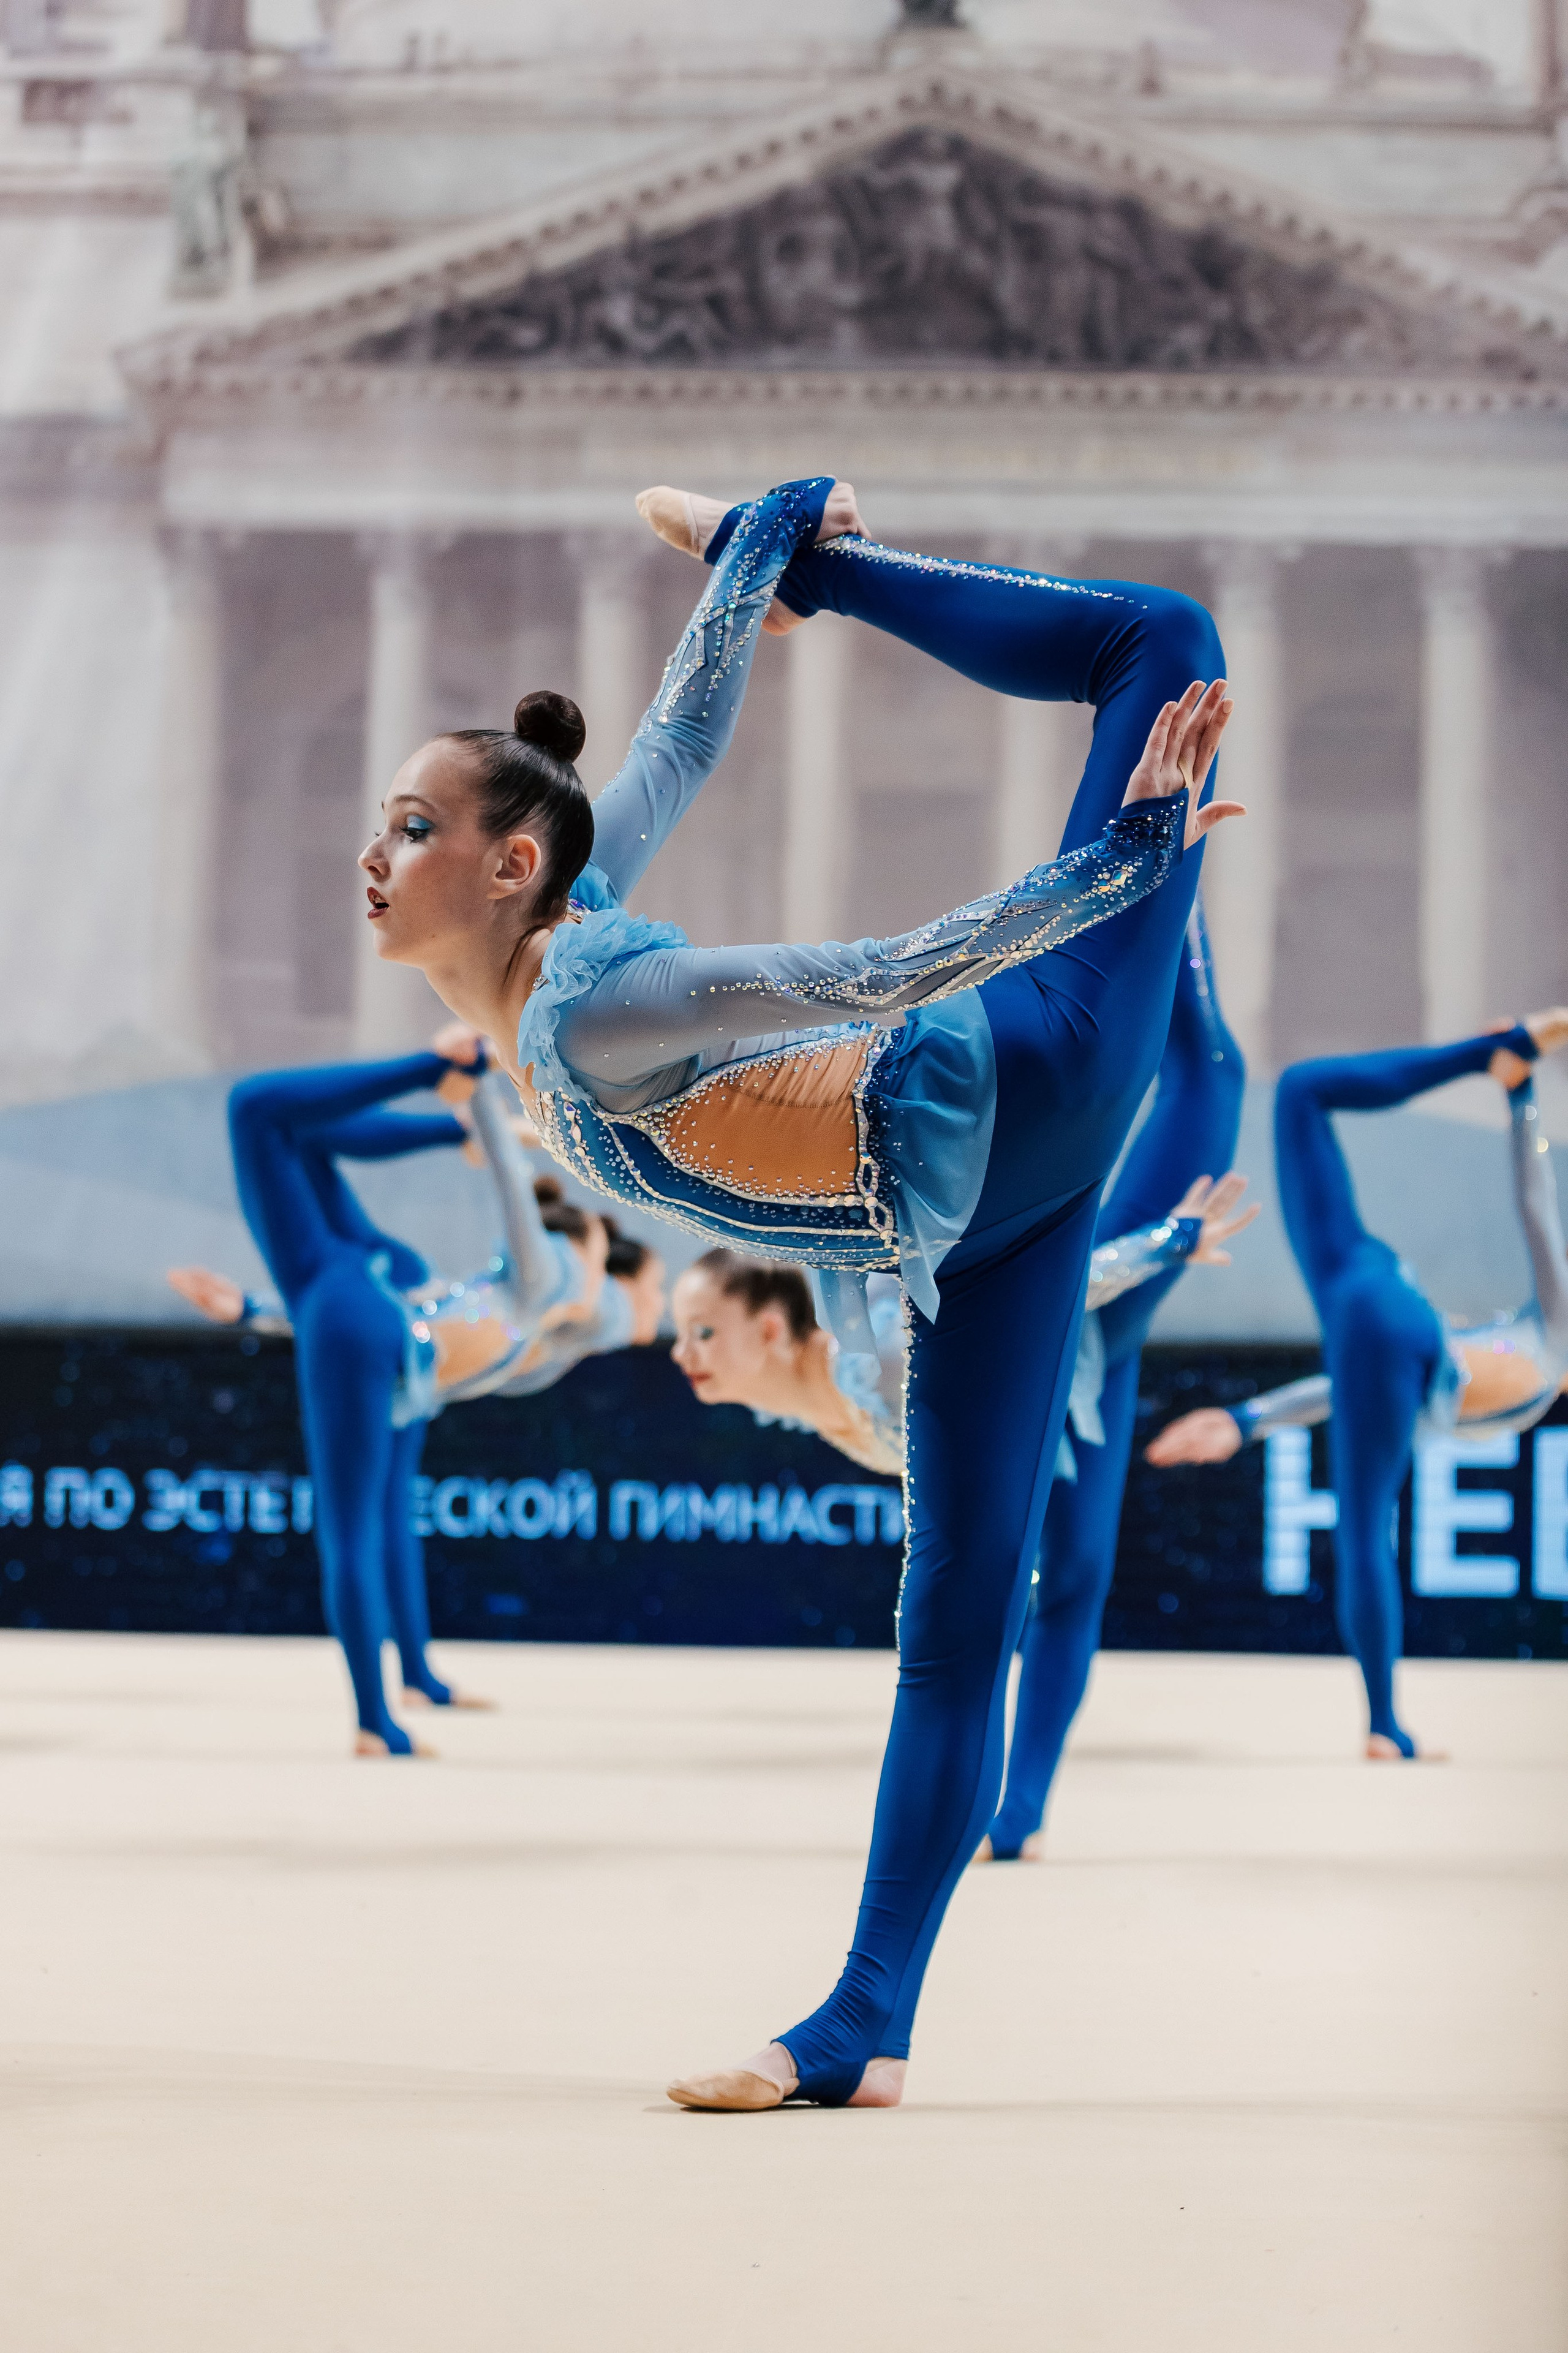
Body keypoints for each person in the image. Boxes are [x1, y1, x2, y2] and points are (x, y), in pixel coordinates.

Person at [355, 472, 1240, 2106]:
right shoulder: (563, 923)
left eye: (413, 827)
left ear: (508, 866)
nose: (374, 852)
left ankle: (867, 596)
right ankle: (865, 2026)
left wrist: (1116, 868)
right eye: (388, 820)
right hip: (974, 1228)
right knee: (958, 1619)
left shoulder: (598, 1007)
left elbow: (868, 976)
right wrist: (756, 555)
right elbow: (680, 742)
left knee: (1168, 643)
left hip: (1027, 1083)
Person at [1147, 1014, 1568, 1759]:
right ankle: (1383, 1723)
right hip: (1382, 1314)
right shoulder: (1540, 1367)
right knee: (1365, 1530)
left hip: (1375, 1290)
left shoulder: (1551, 1333)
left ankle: (1489, 1054)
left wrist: (1521, 1094)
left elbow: (1537, 1209)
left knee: (1304, 1092)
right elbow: (1372, 1386)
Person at [171, 1034, 603, 1757]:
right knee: (385, 1518)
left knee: (351, 1530)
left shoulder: (542, 1280)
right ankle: (414, 1683)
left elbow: (270, 1104)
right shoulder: (304, 1143)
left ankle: (376, 1719)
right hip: (394, 1314)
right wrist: (455, 1122)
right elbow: (337, 1130)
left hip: (354, 1305)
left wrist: (444, 1077)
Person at [981, 899, 1251, 1860]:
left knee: (1064, 1585)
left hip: (1080, 1332)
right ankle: (1165, 851)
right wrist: (1174, 1238)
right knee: (1058, 1586)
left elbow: (1054, 1287)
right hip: (1075, 1341)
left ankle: (1164, 851)